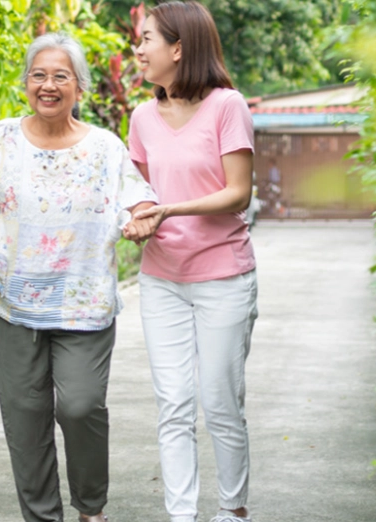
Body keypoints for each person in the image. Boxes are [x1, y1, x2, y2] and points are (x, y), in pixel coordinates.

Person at [0, 33, 158, 522]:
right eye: (38, 75)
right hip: (13, 306)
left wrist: (144, 217)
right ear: (25, 83)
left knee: (81, 407)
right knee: (25, 420)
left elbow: (139, 197)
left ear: (79, 86)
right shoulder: (0, 139)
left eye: (61, 75)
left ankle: (90, 508)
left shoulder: (104, 147)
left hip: (84, 304)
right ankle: (42, 516)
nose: (48, 85)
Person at [125, 2, 259, 522]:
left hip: (223, 276)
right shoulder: (140, 116)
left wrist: (169, 210)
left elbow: (238, 193)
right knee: (173, 405)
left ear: (178, 48)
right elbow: (136, 193)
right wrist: (136, 219)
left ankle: (232, 511)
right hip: (162, 280)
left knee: (221, 402)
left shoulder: (228, 106)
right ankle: (181, 515)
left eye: (147, 39)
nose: (138, 49)